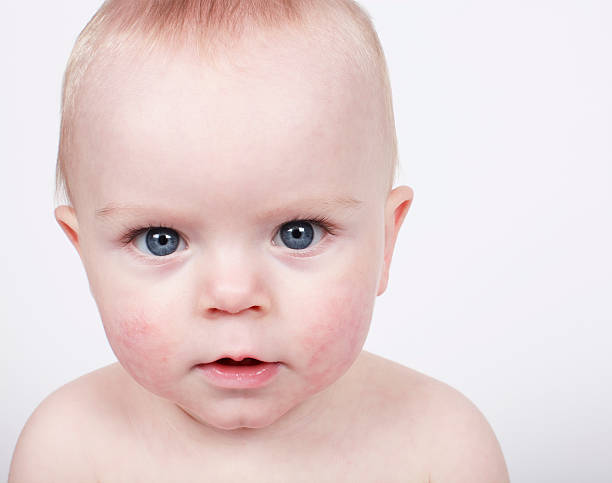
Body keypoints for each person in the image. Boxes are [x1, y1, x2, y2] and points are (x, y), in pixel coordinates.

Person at [9, 1, 509, 481]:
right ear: (85, 256)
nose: (232, 295)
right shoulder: (66, 450)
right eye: (160, 240)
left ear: (386, 241)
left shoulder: (442, 448)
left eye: (298, 234)